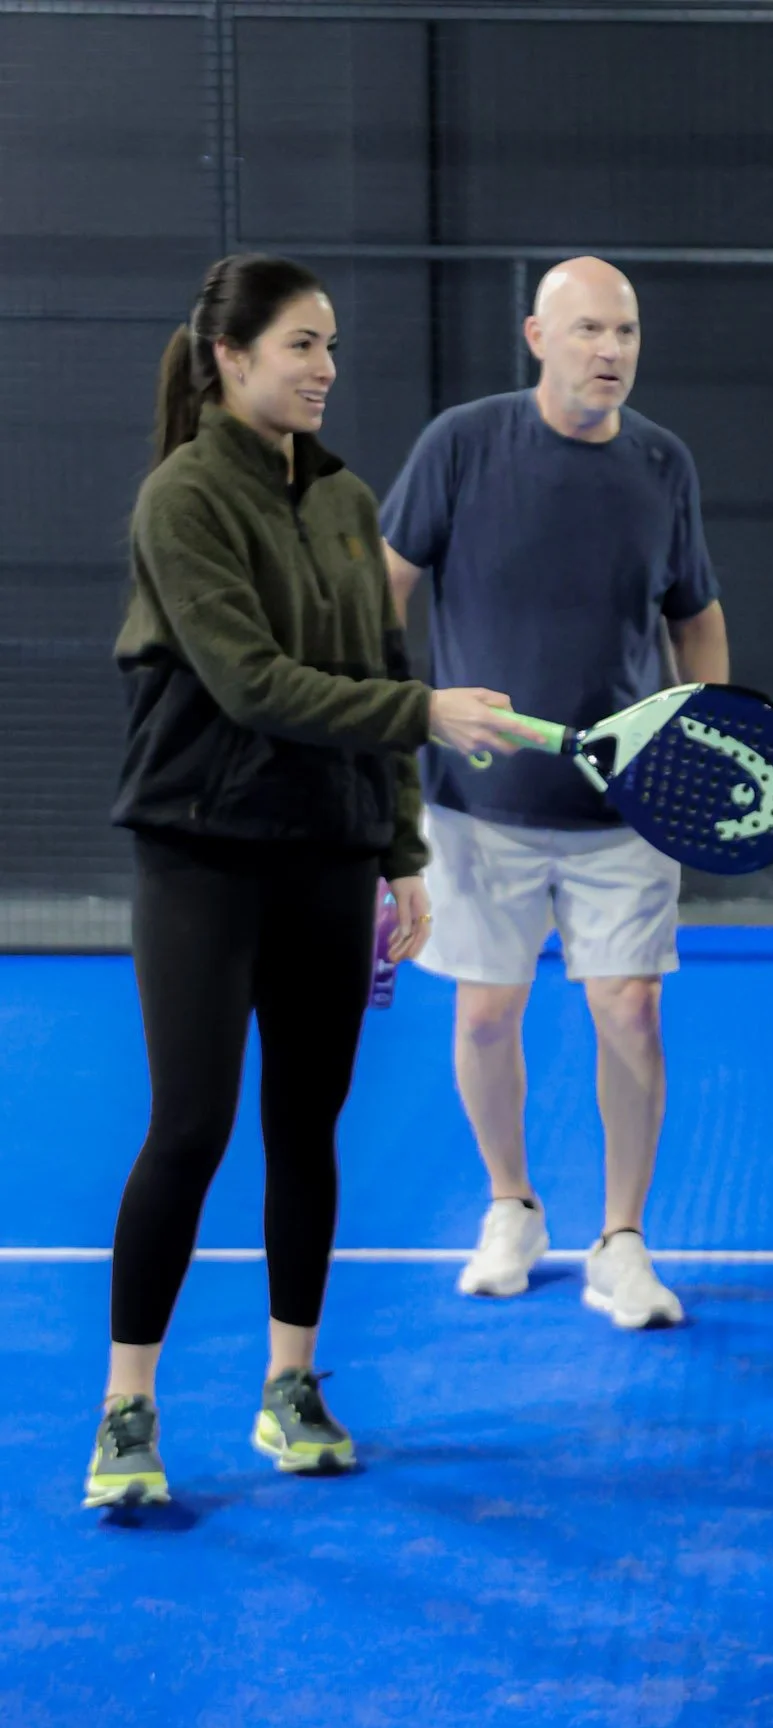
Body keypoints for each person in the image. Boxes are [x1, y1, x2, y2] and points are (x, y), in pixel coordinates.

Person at [86, 254, 519, 1510]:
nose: (325, 368)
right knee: (190, 1127)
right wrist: (429, 710)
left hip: (330, 860)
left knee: (303, 1130)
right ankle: (127, 1404)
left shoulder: (346, 502)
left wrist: (398, 854)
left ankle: (291, 1383)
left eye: (331, 346)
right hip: (202, 856)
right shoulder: (180, 500)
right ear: (230, 359)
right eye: (300, 346)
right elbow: (252, 681)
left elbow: (372, 665)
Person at [380, 256, 727, 1329]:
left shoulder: (664, 464)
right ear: (537, 337)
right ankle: (510, 1206)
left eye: (624, 332)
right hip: (472, 807)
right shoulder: (460, 445)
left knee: (630, 1008)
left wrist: (701, 737)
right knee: (486, 1014)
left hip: (624, 810)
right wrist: (405, 718)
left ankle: (621, 1239)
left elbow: (694, 620)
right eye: (587, 331)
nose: (609, 351)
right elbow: (372, 598)